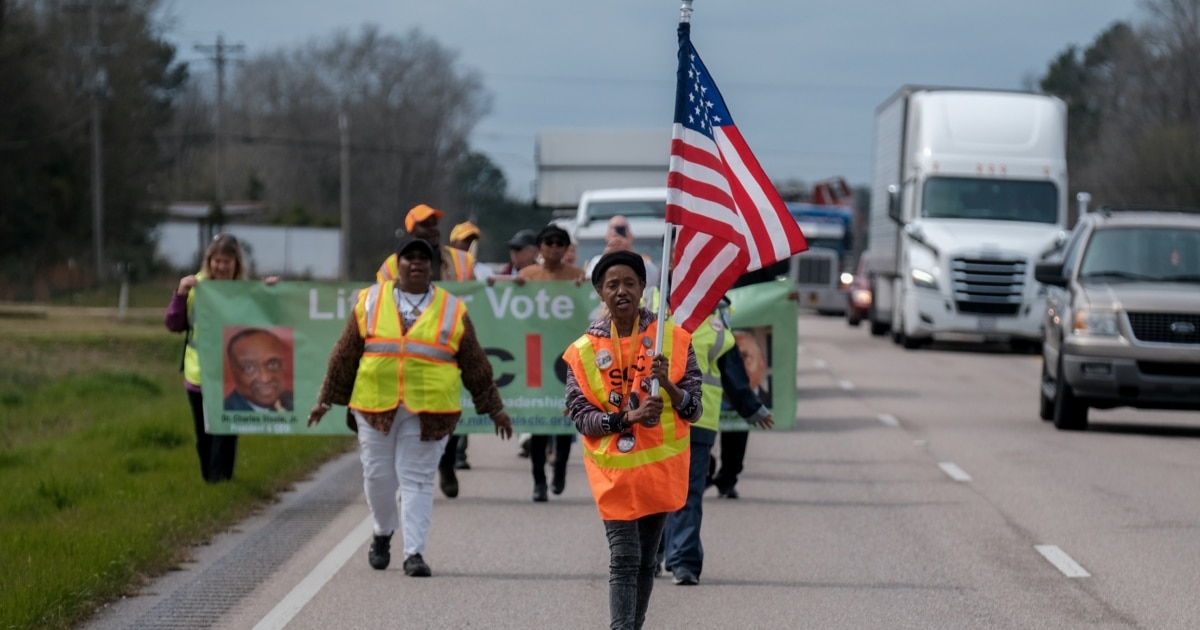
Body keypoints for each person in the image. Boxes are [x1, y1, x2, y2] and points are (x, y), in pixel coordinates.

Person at [308, 235, 513, 577]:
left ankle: (414, 553)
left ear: (431, 266)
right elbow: (345, 354)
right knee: (378, 477)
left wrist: (494, 408)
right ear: (397, 265)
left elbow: (475, 364)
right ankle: (382, 530)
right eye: (409, 258)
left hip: (430, 410)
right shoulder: (370, 301)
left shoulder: (452, 308)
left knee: (416, 480)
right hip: (374, 405)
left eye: (423, 258)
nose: (416, 263)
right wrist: (325, 399)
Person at [563, 251, 702, 630]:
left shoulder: (672, 340)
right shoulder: (583, 351)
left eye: (630, 283)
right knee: (623, 558)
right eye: (612, 285)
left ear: (643, 289)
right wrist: (626, 418)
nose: (621, 291)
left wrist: (670, 385)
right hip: (614, 473)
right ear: (599, 292)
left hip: (659, 469)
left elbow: (694, 411)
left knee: (645, 560)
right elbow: (581, 417)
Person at [660, 296, 774, 586]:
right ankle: (652, 555)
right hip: (655, 419)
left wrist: (752, 408)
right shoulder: (654, 308)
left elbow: (733, 371)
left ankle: (684, 561)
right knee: (657, 491)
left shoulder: (717, 323)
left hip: (699, 419)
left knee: (688, 492)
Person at [379, 204, 488, 496]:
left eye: (435, 224)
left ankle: (446, 462)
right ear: (412, 231)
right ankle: (414, 475)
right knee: (411, 414)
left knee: (448, 408)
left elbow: (481, 299)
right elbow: (382, 305)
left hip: (449, 347)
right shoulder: (391, 267)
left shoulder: (461, 262)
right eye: (426, 225)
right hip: (411, 348)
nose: (433, 230)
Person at [164, 233, 278, 484]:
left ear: (236, 263)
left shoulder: (246, 291)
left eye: (227, 261)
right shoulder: (196, 287)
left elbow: (267, 323)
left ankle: (221, 481)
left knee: (226, 431)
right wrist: (180, 294)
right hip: (199, 374)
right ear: (209, 261)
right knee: (204, 435)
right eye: (216, 260)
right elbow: (174, 324)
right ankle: (211, 481)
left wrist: (271, 293)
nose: (221, 266)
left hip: (232, 374)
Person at [516, 225, 585, 501]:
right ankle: (538, 481)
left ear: (566, 248)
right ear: (540, 247)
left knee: (563, 419)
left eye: (560, 243)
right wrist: (514, 289)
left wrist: (582, 291)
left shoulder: (578, 277)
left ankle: (560, 470)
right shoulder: (527, 276)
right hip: (537, 353)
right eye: (549, 243)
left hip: (566, 355)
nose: (554, 248)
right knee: (540, 423)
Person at [710, 260, 790, 499]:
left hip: (749, 326)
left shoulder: (757, 241)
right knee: (704, 401)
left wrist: (786, 297)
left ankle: (729, 475)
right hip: (710, 326)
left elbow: (781, 266)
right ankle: (704, 467)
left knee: (738, 403)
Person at [224, 328, 294, 412]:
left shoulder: (296, 401)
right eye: (249, 368)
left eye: (273, 364)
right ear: (234, 372)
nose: (265, 378)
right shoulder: (225, 411)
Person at [583, 216, 661, 289]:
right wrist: (606, 257)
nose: (617, 237)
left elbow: (653, 279)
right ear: (607, 236)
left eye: (622, 230)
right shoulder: (597, 261)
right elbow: (592, 284)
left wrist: (629, 253)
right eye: (613, 230)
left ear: (631, 236)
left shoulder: (643, 262)